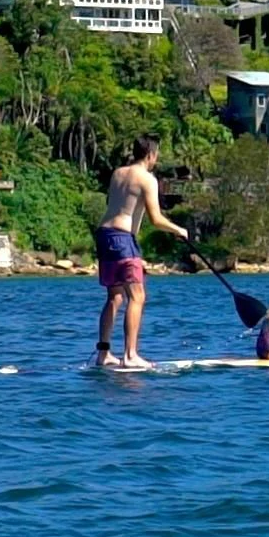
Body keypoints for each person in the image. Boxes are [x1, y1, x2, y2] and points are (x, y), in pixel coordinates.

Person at [93, 135, 189, 370]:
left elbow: (121, 204)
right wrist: (179, 230)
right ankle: (130, 355)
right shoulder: (147, 179)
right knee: (137, 296)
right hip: (122, 239)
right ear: (151, 155)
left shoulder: (118, 173)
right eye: (157, 155)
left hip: (104, 235)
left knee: (115, 297)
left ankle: (103, 354)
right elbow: (156, 219)